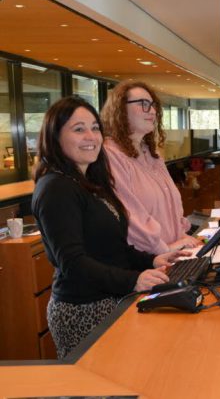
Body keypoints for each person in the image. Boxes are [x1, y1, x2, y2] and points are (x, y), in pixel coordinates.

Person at [32, 96, 189, 359]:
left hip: (113, 296)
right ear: (54, 136)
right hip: (84, 308)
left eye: (95, 128)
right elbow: (73, 262)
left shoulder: (90, 182)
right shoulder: (56, 188)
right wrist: (134, 279)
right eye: (78, 129)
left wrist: (152, 260)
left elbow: (113, 247)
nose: (91, 136)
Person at [100, 80, 200, 254]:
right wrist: (164, 249)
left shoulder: (153, 156)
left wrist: (182, 236)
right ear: (120, 109)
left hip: (174, 254)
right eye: (143, 104)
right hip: (145, 262)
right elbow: (130, 217)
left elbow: (171, 209)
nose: (152, 111)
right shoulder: (111, 155)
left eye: (153, 105)